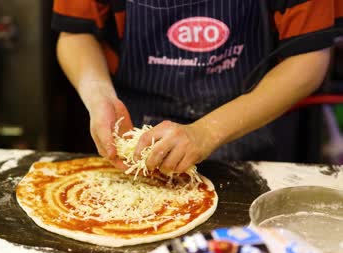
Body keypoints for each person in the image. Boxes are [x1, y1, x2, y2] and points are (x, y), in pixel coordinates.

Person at [52, 0, 343, 174]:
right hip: (137, 135)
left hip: (257, 132)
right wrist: (98, 95)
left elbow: (307, 61)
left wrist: (207, 131)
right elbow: (76, 34)